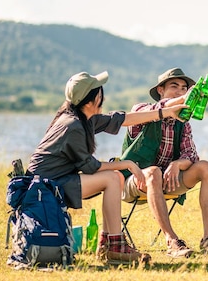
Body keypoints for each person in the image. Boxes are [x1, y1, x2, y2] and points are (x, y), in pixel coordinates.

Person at [26, 71, 186, 265]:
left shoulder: (83, 118)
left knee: (115, 177)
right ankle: (115, 246)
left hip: (54, 181)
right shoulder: (73, 125)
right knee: (112, 178)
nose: (102, 96)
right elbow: (90, 167)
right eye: (99, 92)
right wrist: (128, 164)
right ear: (91, 100)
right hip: (45, 187)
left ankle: (108, 243)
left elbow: (122, 119)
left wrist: (166, 112)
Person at [121, 68, 208, 257]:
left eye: (184, 89)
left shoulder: (183, 123)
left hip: (167, 181)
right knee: (152, 172)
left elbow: (191, 155)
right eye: (174, 86)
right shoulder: (141, 110)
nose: (180, 92)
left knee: (206, 168)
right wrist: (179, 103)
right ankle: (172, 240)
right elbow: (155, 109)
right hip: (133, 181)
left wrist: (177, 164)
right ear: (160, 90)